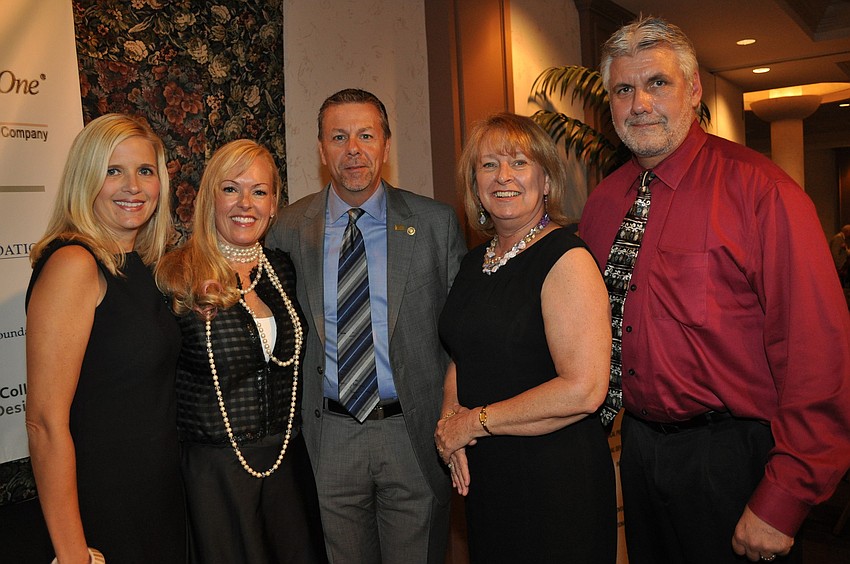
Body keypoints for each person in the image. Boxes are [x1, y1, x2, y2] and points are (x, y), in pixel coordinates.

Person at [579, 16, 850, 564]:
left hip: (734, 459)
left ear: (694, 89)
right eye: (623, 89)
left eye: (658, 83)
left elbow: (816, 354)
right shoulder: (604, 204)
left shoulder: (762, 192)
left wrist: (785, 495)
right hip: (639, 451)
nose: (639, 104)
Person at [266, 88, 466, 563]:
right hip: (329, 437)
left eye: (365, 135)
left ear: (385, 145)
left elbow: (464, 334)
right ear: (321, 150)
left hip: (413, 435)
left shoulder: (435, 224)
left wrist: (456, 414)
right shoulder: (289, 229)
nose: (353, 149)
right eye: (338, 137)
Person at [434, 112, 617, 563]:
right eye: (489, 165)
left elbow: (584, 390)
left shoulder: (566, 258)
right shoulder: (474, 263)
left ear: (546, 180)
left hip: (554, 481)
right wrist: (448, 422)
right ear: (474, 184)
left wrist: (471, 422)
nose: (504, 176)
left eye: (519, 162)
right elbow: (464, 351)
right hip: (491, 476)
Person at [25, 113, 186, 563]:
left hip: (159, 500)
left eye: (145, 171)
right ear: (85, 179)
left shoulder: (148, 266)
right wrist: (74, 554)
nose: (133, 186)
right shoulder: (75, 265)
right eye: (113, 170)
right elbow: (43, 423)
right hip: (102, 512)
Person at [155, 140, 327, 563]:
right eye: (231, 189)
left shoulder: (283, 268)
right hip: (214, 475)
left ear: (274, 206)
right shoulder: (175, 276)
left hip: (287, 464)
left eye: (260, 191)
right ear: (209, 198)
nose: (245, 203)